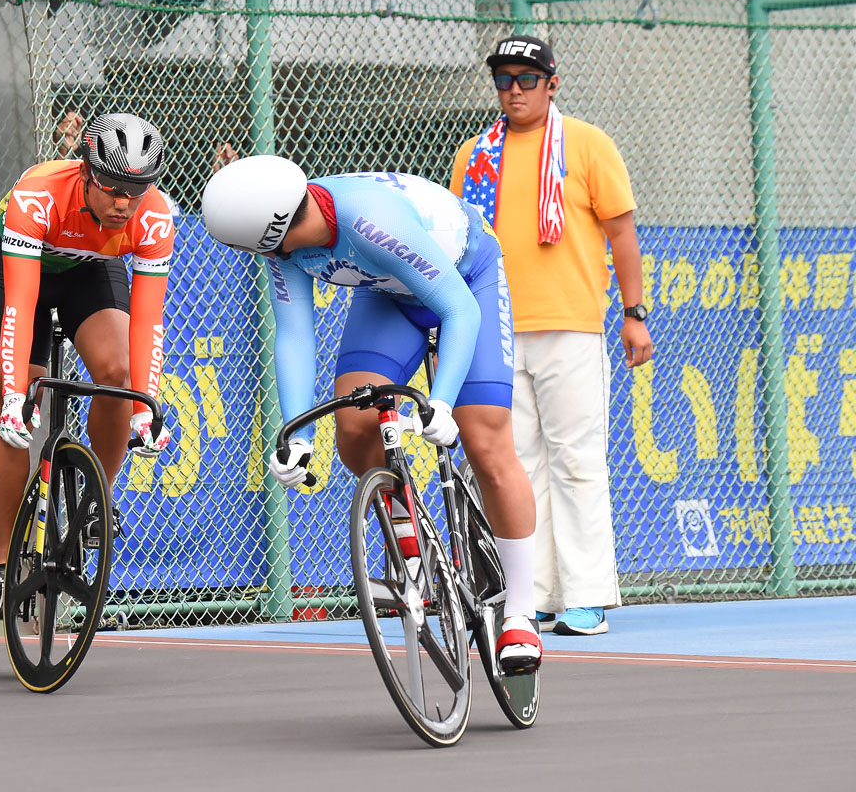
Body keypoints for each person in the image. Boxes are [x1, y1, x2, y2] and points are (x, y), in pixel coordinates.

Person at [201, 155, 542, 672]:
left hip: (467, 282)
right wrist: (297, 431)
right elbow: (294, 333)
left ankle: (521, 612)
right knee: (357, 426)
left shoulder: (368, 221)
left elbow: (458, 309)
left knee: (486, 442)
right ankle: (407, 530)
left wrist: (442, 401)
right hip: (388, 294)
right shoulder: (282, 243)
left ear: (269, 234)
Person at [449, 35, 654, 636]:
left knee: (578, 461)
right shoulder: (474, 155)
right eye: (504, 79)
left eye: (527, 78)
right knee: (515, 462)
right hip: (497, 328)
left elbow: (622, 236)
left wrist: (634, 311)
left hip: (571, 325)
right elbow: (462, 243)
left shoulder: (587, 145)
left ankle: (587, 596)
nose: (514, 90)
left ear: (552, 84)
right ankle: (530, 595)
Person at [0, 112, 174, 620]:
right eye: (111, 188)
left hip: (90, 268)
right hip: (25, 264)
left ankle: (96, 500)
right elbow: (21, 303)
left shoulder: (153, 217)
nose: (122, 203)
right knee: (11, 392)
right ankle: (3, 560)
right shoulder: (38, 195)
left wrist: (145, 409)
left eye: (135, 190)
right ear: (85, 171)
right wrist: (18, 397)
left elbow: (147, 323)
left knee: (118, 377)